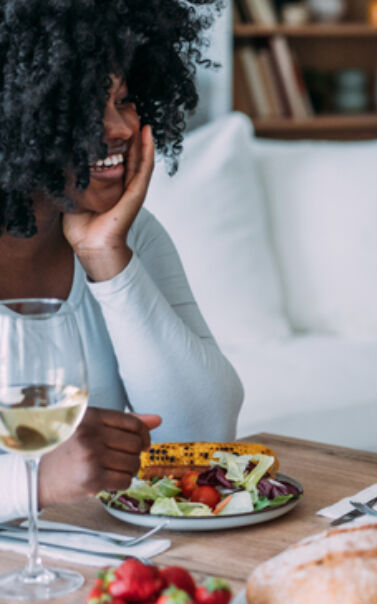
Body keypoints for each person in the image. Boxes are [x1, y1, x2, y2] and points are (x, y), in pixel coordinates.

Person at [0, 1, 243, 521]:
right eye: (87, 106)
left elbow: (202, 435)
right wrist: (36, 479)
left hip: (90, 571)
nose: (122, 128)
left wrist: (107, 259)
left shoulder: (129, 236)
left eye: (126, 100)